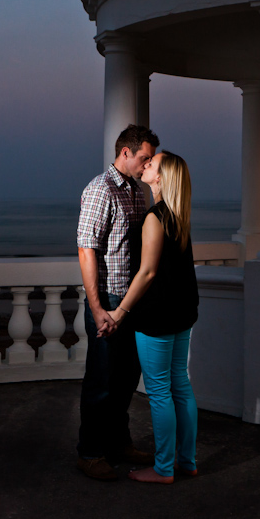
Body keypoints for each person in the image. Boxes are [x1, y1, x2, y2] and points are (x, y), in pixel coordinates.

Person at [107, 150, 199, 484]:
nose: (146, 166)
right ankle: (186, 462)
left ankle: (163, 469)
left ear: (161, 177)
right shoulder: (178, 215)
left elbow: (146, 273)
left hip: (158, 316)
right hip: (182, 312)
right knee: (181, 386)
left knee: (160, 391)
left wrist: (119, 311)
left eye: (152, 164)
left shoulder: (155, 217)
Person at [76, 124, 160, 480]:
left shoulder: (136, 192)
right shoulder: (100, 189)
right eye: (144, 157)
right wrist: (97, 310)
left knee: (126, 378)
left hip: (129, 302)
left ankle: (118, 443)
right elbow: (86, 250)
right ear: (125, 153)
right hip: (108, 302)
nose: (147, 163)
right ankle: (90, 453)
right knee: (102, 381)